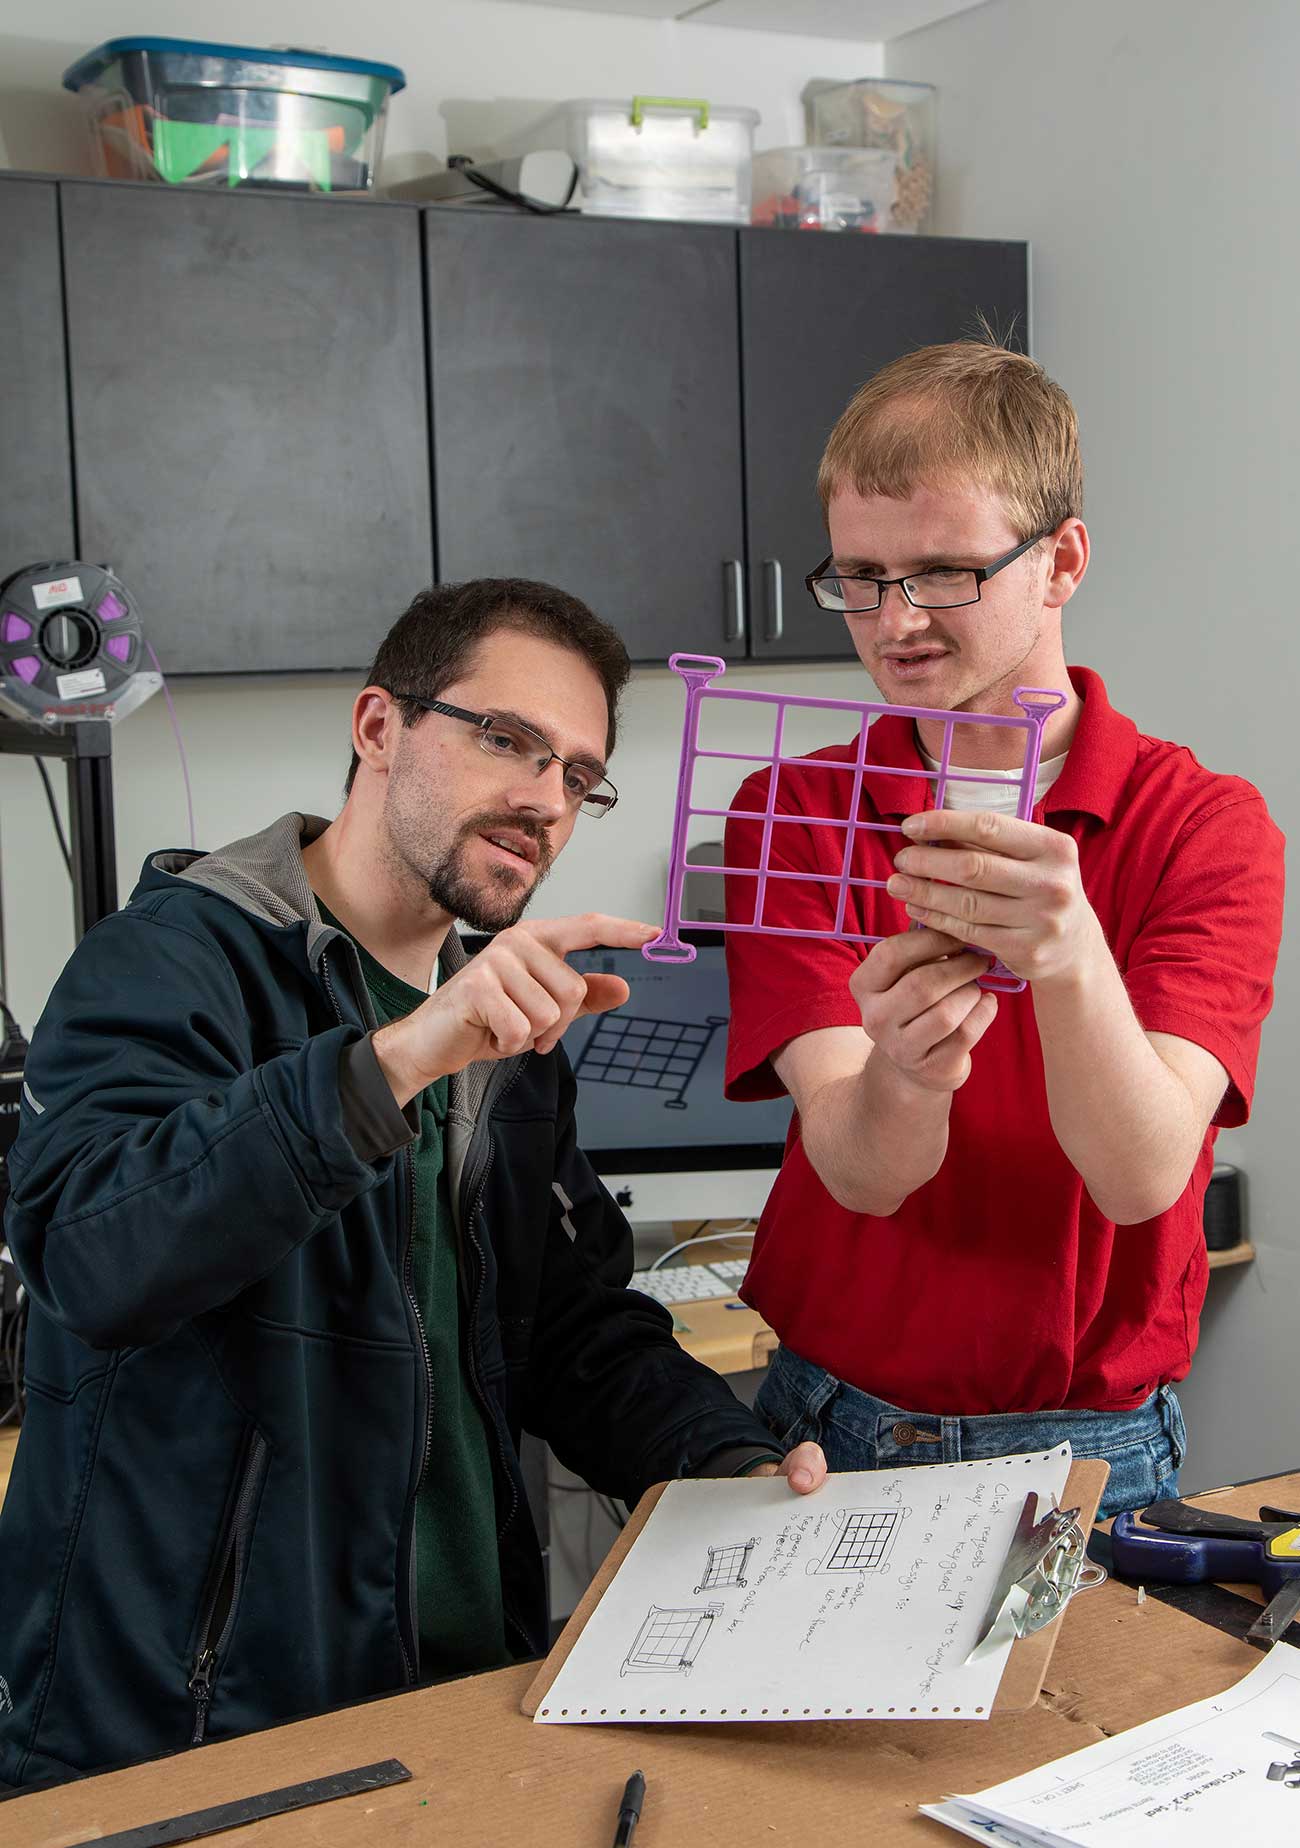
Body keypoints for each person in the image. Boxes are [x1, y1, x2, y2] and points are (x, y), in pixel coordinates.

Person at [0, 577, 826, 1788]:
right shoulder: (173, 959)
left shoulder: (508, 1024)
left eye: (578, 774)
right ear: (379, 728)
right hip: (199, 1737)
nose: (545, 799)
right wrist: (402, 1058)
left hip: (459, 1704)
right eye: (507, 740)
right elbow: (89, 1256)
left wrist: (730, 1463)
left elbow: (575, 1335)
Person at [722, 342, 1284, 1519]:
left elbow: (1139, 1178)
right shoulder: (791, 815)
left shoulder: (1206, 828)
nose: (894, 622)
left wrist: (1070, 953)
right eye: (861, 578)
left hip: (1090, 1452)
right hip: (831, 1427)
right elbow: (864, 1175)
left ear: (1061, 561)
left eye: (941, 573)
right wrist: (908, 1074)